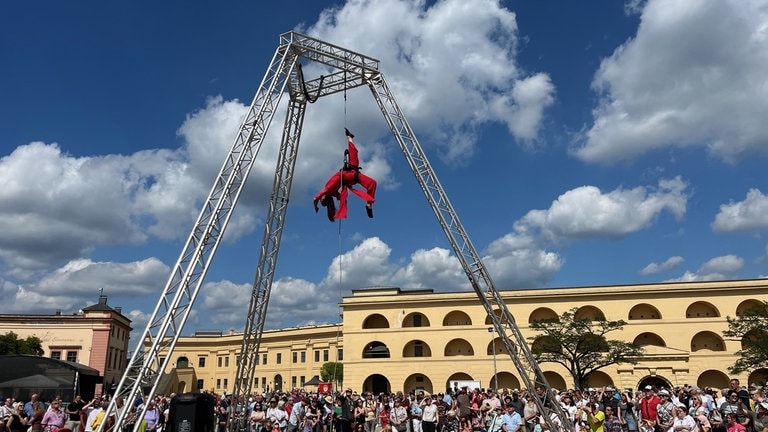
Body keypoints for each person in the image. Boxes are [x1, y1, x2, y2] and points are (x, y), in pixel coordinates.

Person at [313, 128, 377, 222]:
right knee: (370, 180)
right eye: (322, 198)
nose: (321, 197)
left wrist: (342, 201)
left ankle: (350, 138)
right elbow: (315, 199)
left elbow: (340, 197)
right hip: (348, 175)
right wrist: (316, 206)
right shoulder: (327, 189)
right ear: (324, 197)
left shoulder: (333, 193)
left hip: (350, 175)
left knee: (371, 181)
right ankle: (369, 204)